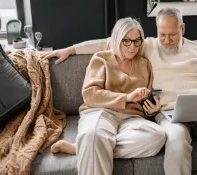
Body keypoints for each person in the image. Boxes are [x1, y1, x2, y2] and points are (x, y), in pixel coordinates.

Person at [44, 8, 197, 175]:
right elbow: (110, 43)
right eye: (162, 35)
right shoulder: (145, 46)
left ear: (183, 28)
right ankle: (91, 145)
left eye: (172, 35)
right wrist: (70, 50)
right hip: (170, 113)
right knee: (176, 140)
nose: (166, 40)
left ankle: (87, 147)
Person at [47, 17, 166, 175]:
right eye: (127, 41)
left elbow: (145, 102)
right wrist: (126, 98)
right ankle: (91, 143)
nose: (133, 47)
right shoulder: (101, 58)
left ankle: (83, 147)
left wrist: (152, 109)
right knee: (93, 134)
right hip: (101, 112)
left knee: (157, 137)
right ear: (117, 39)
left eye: (137, 41)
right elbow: (90, 94)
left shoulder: (145, 65)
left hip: (132, 118)